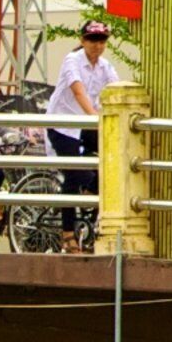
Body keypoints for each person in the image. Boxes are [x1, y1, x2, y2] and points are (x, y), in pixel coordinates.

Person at [44, 20, 130, 252]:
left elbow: (118, 90)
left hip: (86, 124)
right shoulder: (72, 60)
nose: (97, 45)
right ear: (82, 40)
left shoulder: (104, 66)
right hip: (63, 124)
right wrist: (95, 117)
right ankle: (67, 232)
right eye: (92, 40)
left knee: (112, 164)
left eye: (101, 40)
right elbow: (78, 90)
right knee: (77, 172)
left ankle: (91, 194)